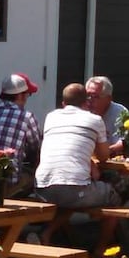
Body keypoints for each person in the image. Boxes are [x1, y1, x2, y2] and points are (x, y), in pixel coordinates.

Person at [33, 83, 115, 242]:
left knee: (69, 195)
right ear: (86, 102)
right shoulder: (95, 119)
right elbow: (104, 156)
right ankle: (102, 250)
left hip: (42, 188)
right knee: (113, 197)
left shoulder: (51, 116)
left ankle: (48, 233)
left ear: (63, 104)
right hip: (74, 189)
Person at [84, 75, 129, 158]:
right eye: (87, 95)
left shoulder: (120, 112)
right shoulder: (82, 111)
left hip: (111, 161)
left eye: (95, 97)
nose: (90, 100)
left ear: (108, 98)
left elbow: (123, 143)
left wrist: (102, 153)